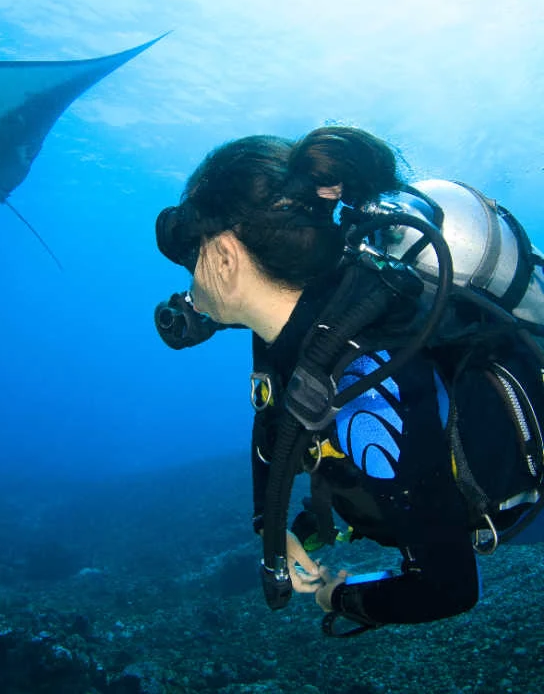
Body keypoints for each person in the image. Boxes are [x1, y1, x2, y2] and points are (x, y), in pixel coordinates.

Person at [153, 127, 544, 635]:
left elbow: (448, 588)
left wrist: (335, 596)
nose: (189, 285)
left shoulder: (366, 388)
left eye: (192, 258)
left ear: (226, 257)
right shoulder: (293, 328)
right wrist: (276, 529)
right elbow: (273, 422)